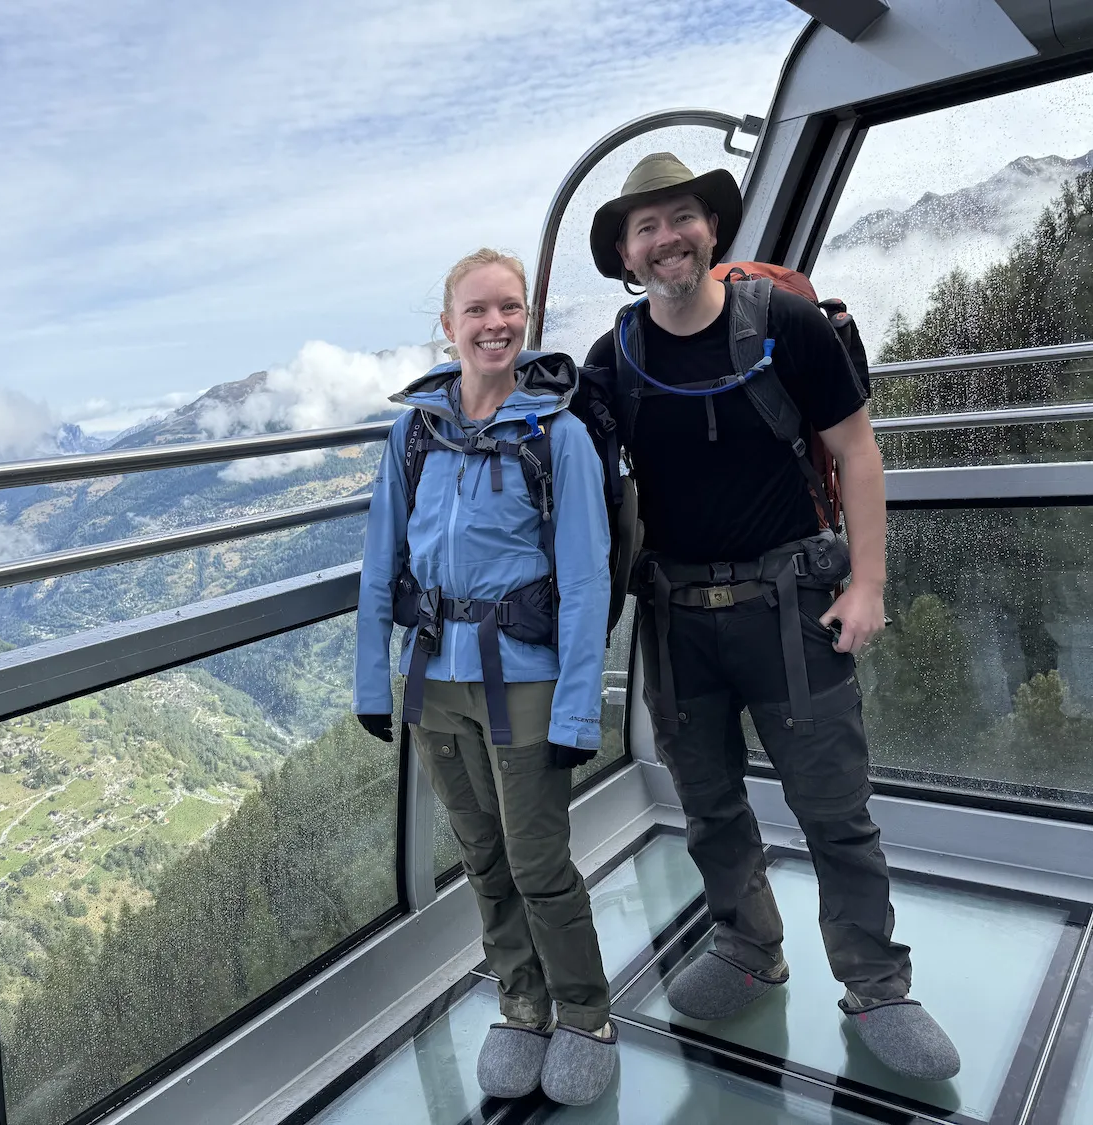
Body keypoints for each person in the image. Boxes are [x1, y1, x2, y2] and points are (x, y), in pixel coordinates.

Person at [573, 154, 960, 1081]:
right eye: (644, 227)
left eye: (681, 217)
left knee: (834, 807)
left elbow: (856, 450)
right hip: (676, 615)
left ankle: (877, 985)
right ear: (625, 256)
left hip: (792, 607)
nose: (667, 238)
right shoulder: (613, 358)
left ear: (712, 229)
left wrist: (868, 584)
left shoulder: (784, 324)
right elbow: (563, 466)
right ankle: (750, 947)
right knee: (709, 804)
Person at [353, 248, 617, 1106]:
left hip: (526, 679)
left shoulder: (558, 436)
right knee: (481, 856)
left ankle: (586, 1013)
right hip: (433, 676)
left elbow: (586, 581)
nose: (495, 323)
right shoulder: (414, 435)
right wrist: (372, 682)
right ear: (448, 325)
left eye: (509, 308)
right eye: (477, 310)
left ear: (525, 319)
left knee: (537, 859)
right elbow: (379, 563)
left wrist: (578, 710)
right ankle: (522, 1002)